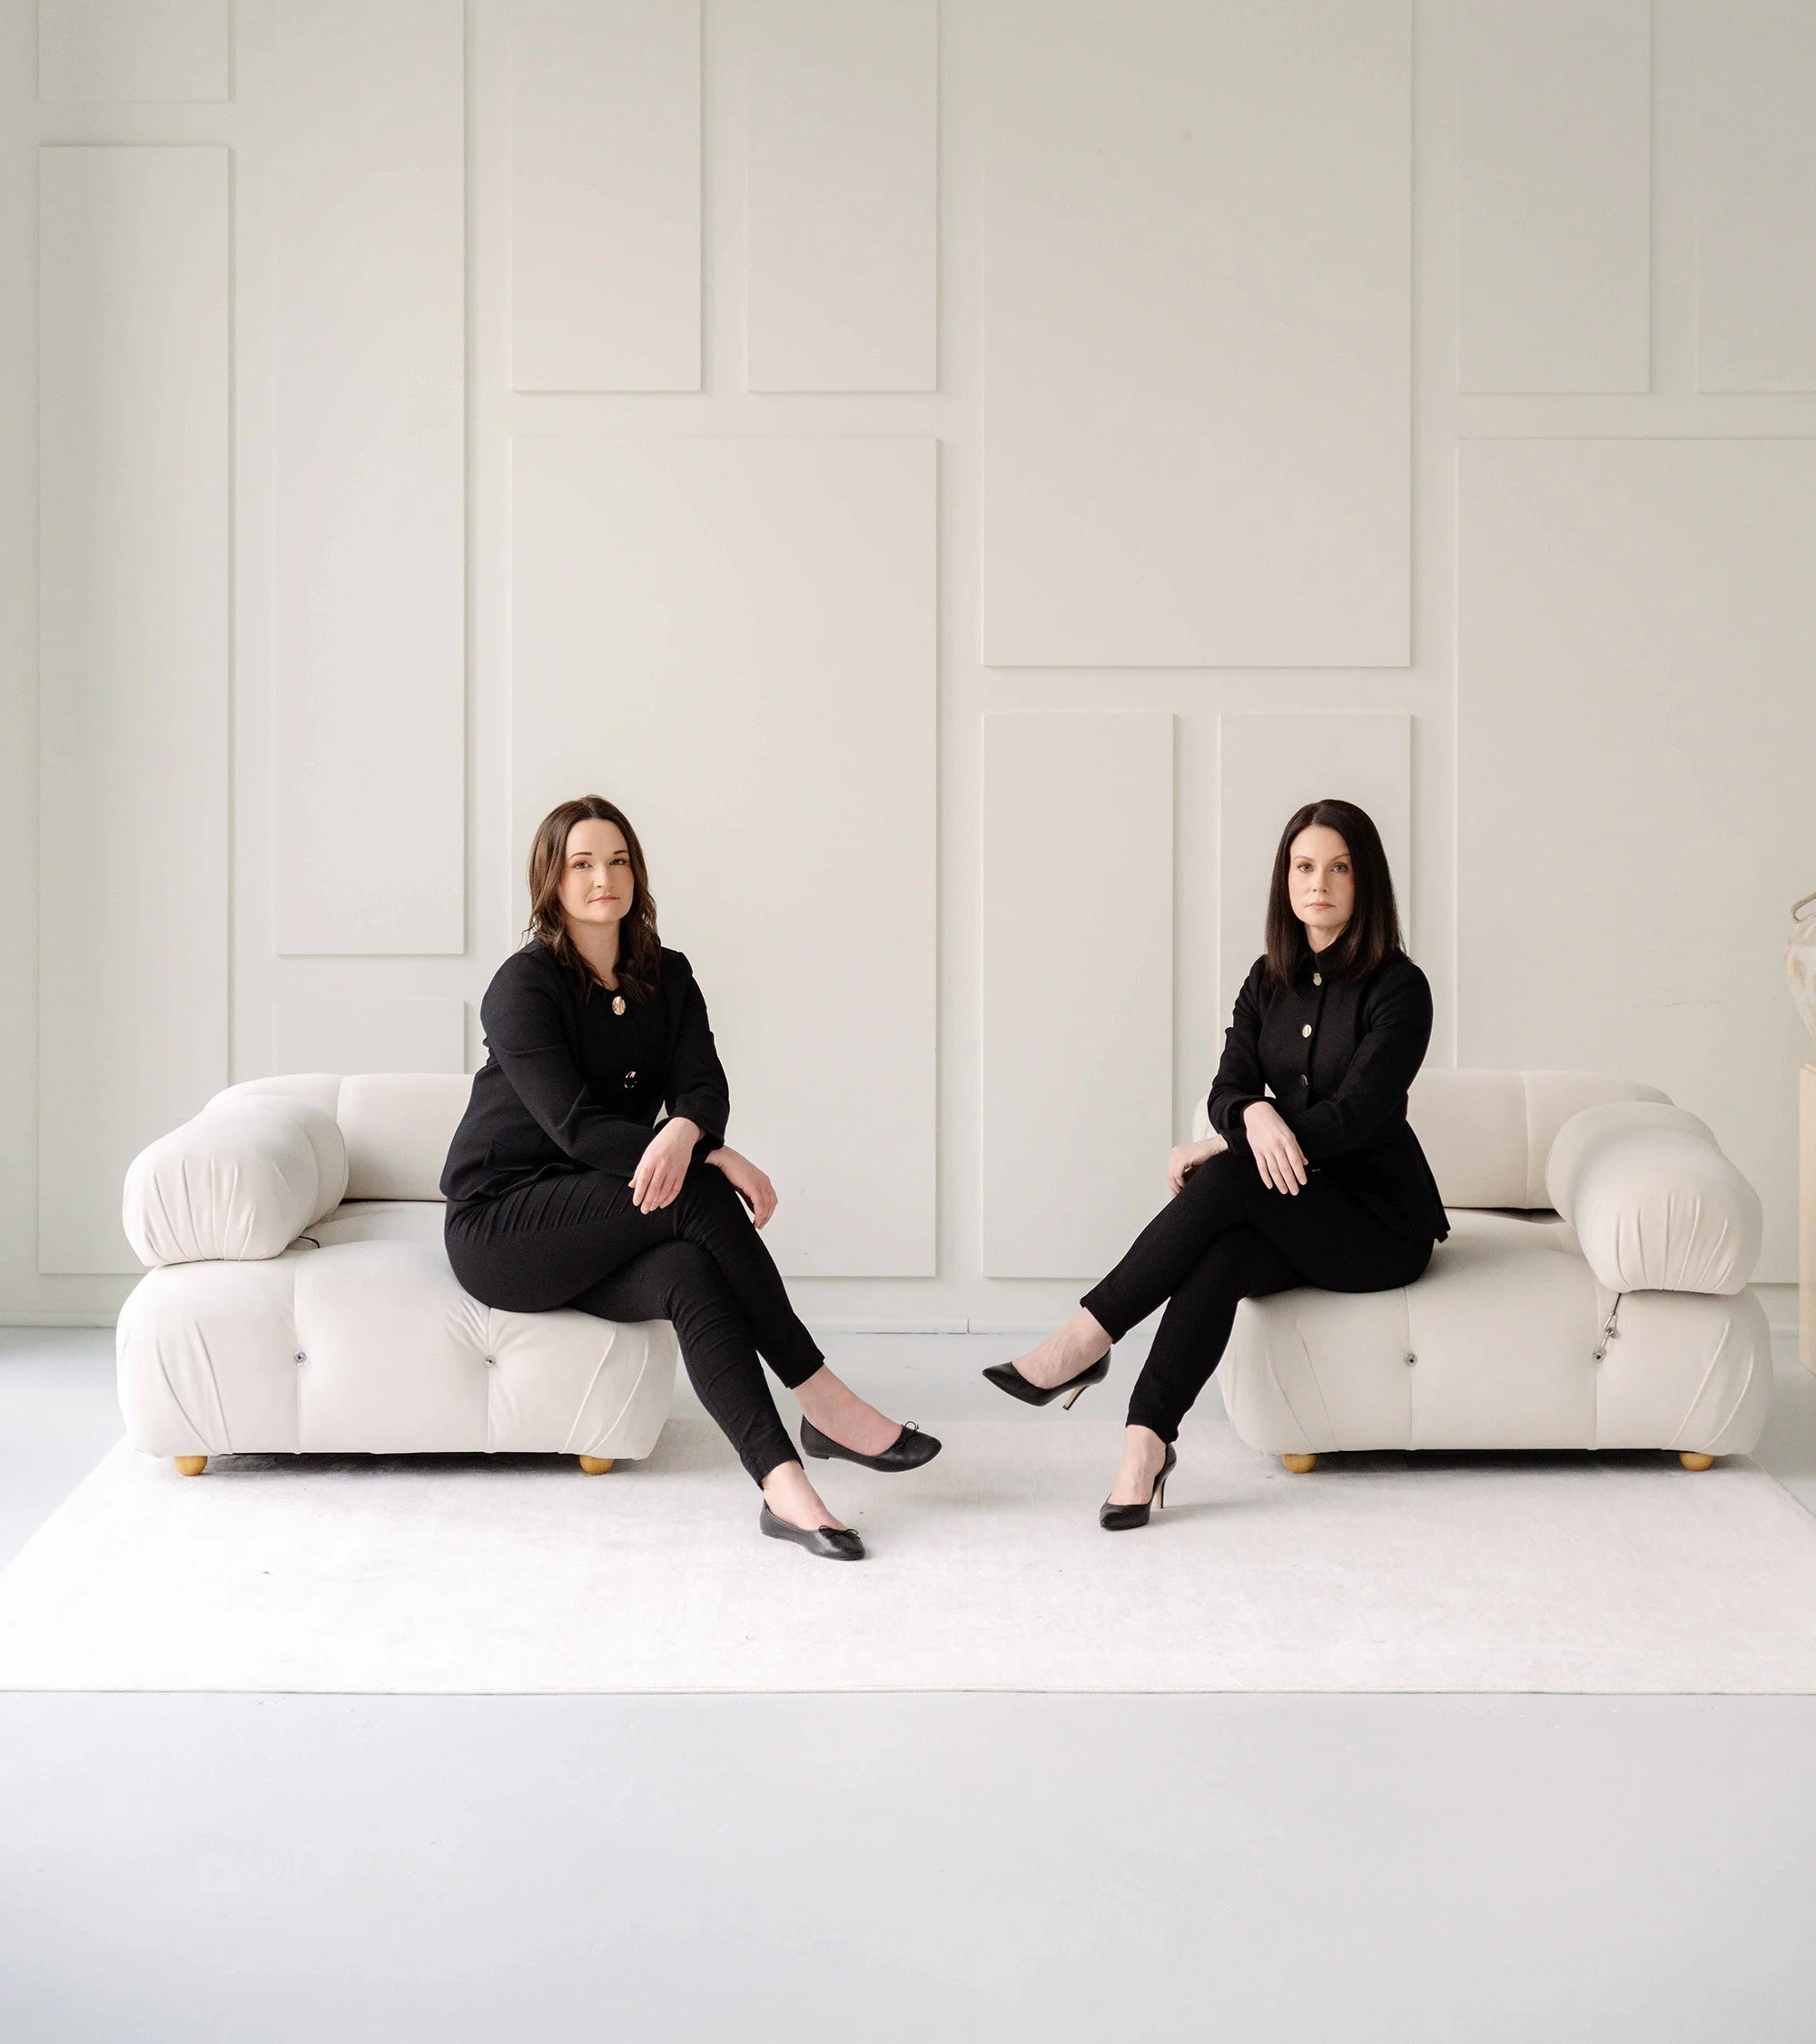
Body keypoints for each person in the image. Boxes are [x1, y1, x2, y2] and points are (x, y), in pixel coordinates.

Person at [441, 795, 939, 1562]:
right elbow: (575, 1126)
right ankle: (822, 1397)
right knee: (697, 1192)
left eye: (618, 860)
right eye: (582, 864)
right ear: (552, 881)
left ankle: (784, 1489)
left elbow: (703, 1086)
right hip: (504, 1223)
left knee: (687, 1273)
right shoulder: (523, 987)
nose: (604, 878)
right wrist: (705, 1156)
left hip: (607, 1211)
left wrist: (687, 1130)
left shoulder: (666, 975)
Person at [982, 798, 1446, 1530]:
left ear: (1366, 882)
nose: (1318, 883)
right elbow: (1228, 1087)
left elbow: (1352, 1118)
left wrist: (1227, 1141)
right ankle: (1145, 1445)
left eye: (1339, 868)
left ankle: (1086, 1336)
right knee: (1225, 1253)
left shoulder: (1401, 988)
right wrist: (1250, 1115)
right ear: (1285, 879)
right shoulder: (1268, 979)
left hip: (1376, 1226)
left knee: (1230, 1176)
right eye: (1303, 866)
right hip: (1287, 1208)